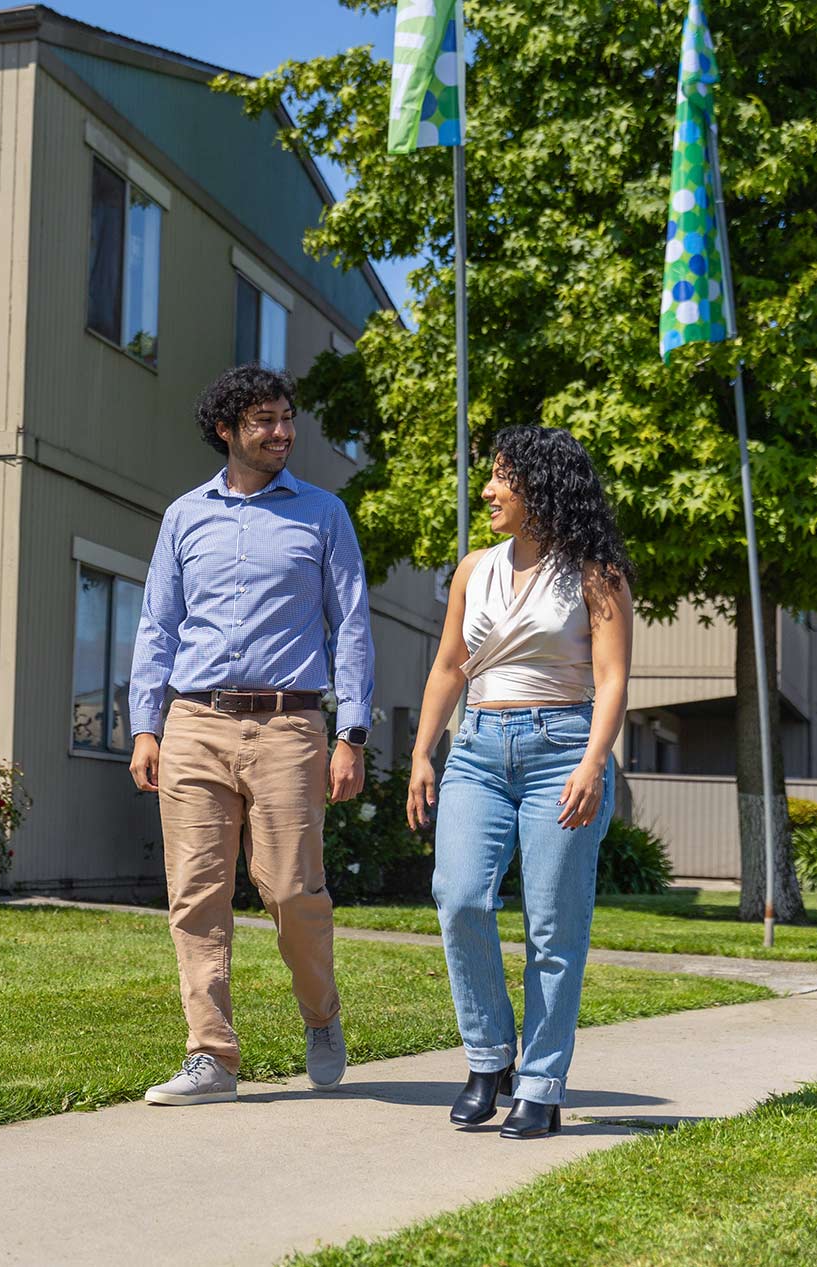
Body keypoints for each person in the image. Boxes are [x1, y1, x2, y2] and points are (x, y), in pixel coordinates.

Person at [129, 364, 375, 1106]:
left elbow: (353, 626)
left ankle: (321, 1016)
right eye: (264, 421)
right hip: (194, 720)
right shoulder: (184, 516)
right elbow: (157, 625)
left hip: (289, 724)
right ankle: (212, 1055)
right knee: (196, 895)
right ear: (226, 431)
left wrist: (352, 732)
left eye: (286, 418)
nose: (282, 432)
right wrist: (147, 725)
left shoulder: (324, 514)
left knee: (292, 888)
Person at [406, 425, 633, 1139]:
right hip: (476, 748)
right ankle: (488, 1058)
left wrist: (594, 762)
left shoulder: (596, 573)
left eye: (503, 477)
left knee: (552, 925)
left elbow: (613, 678)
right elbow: (449, 666)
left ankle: (540, 1084)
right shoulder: (474, 568)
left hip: (563, 748)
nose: (489, 491)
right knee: (459, 896)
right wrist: (422, 754)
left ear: (541, 485)